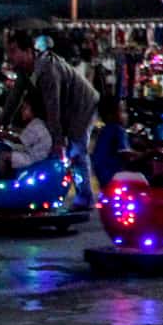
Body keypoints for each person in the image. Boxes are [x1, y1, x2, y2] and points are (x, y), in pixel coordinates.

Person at [8, 32, 100, 207]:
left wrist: (58, 140)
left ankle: (85, 197)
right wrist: (2, 122)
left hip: (81, 107)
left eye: (14, 51)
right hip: (66, 108)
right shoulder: (25, 71)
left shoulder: (48, 69)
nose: (10, 56)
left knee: (75, 150)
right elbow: (14, 97)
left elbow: (53, 107)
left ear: (28, 51)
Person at [88, 95, 135, 189]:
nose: (126, 115)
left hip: (101, 176)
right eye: (123, 111)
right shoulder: (118, 130)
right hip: (114, 175)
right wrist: (146, 154)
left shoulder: (105, 130)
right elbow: (125, 154)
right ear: (110, 115)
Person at [6, 88, 55, 175]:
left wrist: (3, 135)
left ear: (33, 110)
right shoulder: (38, 122)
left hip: (33, 158)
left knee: (3, 156)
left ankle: (4, 181)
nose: (22, 111)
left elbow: (19, 140)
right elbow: (25, 134)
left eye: (25, 108)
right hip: (40, 156)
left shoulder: (35, 125)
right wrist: (10, 130)